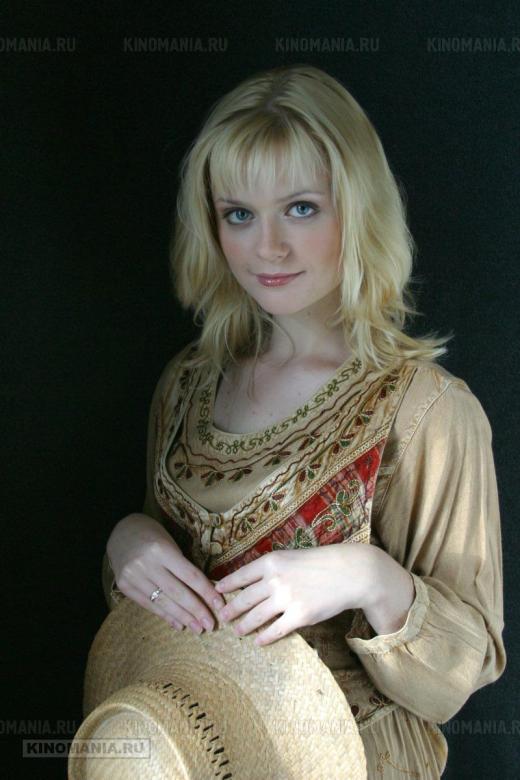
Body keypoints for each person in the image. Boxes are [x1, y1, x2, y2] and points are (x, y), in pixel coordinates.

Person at [102, 64, 506, 778]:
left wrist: (366, 575)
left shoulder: (427, 410)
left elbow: (459, 670)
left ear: (359, 209)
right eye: (239, 214)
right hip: (196, 753)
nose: (268, 247)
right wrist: (129, 540)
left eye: (301, 208)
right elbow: (159, 600)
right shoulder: (188, 382)